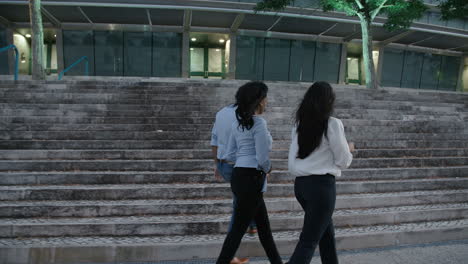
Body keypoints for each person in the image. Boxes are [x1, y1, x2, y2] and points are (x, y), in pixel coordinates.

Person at [286, 82, 354, 264]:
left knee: (325, 234)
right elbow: (344, 161)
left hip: (301, 186)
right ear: (329, 101)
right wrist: (349, 149)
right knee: (308, 242)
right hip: (321, 188)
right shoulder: (332, 124)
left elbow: (292, 161)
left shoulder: (299, 125)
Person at [216, 81, 283, 264]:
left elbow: (228, 154)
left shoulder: (236, 125)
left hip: (239, 176)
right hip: (252, 178)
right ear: (259, 101)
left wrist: (244, 156)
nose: (267, 101)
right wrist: (268, 168)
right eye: (265, 98)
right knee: (238, 231)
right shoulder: (259, 123)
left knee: (263, 228)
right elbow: (262, 158)